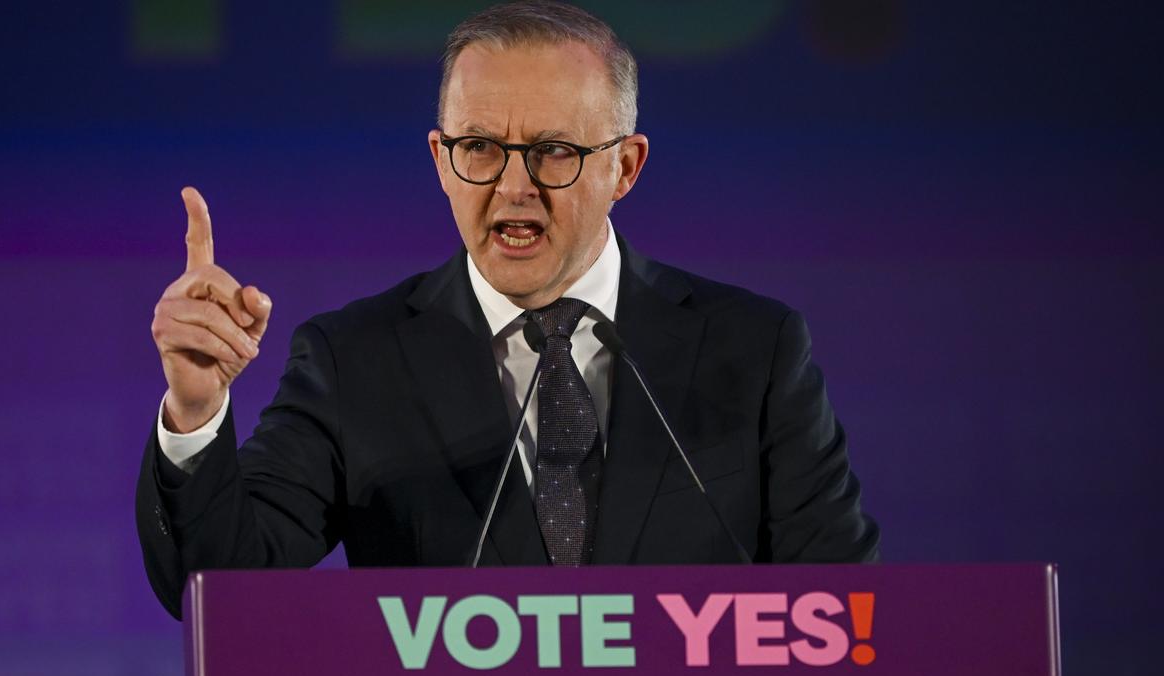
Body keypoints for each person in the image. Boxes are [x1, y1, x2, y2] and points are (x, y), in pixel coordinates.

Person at [137, 1, 879, 621]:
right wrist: (196, 412)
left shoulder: (752, 350)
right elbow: (223, 593)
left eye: (554, 150)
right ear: (439, 159)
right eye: (481, 148)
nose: (513, 185)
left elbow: (848, 617)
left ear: (624, 167)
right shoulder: (353, 359)